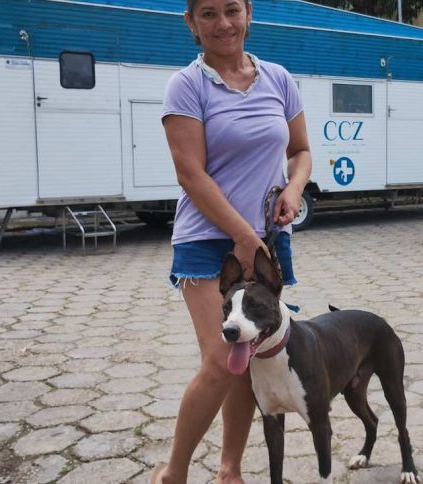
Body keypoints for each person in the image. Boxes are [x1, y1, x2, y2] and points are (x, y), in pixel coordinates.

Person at [153, 0, 312, 483]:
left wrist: (293, 187)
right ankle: (174, 473)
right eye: (208, 13)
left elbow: (301, 151)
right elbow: (190, 173)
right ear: (191, 23)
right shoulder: (187, 85)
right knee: (223, 361)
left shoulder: (278, 79)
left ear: (248, 14)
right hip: (208, 241)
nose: (222, 23)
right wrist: (241, 236)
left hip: (265, 241)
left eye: (231, 10)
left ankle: (230, 471)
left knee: (249, 354)